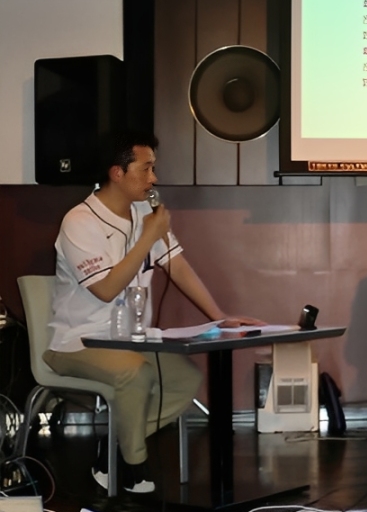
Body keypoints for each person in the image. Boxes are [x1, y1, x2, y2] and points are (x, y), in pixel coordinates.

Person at [46, 132, 262, 493]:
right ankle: (133, 465)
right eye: (145, 169)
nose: (154, 178)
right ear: (117, 172)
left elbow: (177, 266)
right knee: (136, 373)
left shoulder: (144, 214)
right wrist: (149, 236)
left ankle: (115, 447)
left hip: (133, 339)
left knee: (185, 379)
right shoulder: (79, 221)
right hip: (79, 342)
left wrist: (219, 316)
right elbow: (106, 289)